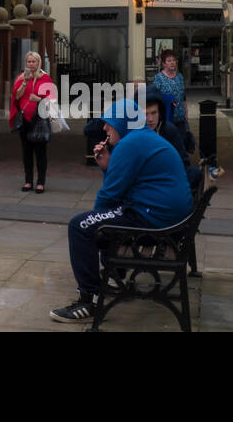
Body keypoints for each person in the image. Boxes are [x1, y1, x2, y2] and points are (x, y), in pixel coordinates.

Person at [51, 99, 194, 322]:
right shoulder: (142, 137)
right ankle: (114, 277)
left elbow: (109, 194)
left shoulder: (130, 143)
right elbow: (119, 189)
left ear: (123, 122)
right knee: (102, 220)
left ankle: (90, 300)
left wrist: (97, 224)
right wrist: (108, 167)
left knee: (80, 227)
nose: (105, 127)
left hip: (155, 221)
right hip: (165, 218)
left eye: (109, 122)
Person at [10, 50, 55, 193]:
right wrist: (24, 82)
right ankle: (28, 181)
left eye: (33, 61)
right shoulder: (21, 78)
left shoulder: (45, 78)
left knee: (40, 152)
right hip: (25, 120)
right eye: (28, 62)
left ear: (38, 62)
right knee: (27, 152)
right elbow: (16, 97)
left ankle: (41, 182)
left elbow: (52, 100)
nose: (31, 64)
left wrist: (39, 99)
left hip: (39, 120)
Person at [145, 92, 202, 191]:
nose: (150, 119)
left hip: (169, 175)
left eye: (154, 113)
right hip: (146, 179)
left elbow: (183, 162)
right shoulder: (135, 132)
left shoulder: (169, 130)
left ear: (160, 113)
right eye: (146, 114)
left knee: (194, 173)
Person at [150, 49, 193, 154]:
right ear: (164, 63)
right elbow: (155, 97)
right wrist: (168, 99)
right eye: (169, 61)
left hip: (180, 118)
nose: (172, 63)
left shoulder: (179, 77)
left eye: (174, 60)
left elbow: (183, 96)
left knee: (181, 146)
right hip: (166, 119)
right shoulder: (159, 78)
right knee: (168, 146)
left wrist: (186, 112)